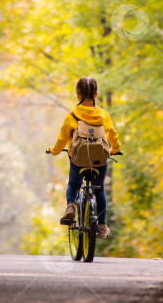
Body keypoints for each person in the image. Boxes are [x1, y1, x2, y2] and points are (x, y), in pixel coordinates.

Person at [47, 76, 121, 238]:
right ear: (96, 94)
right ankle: (101, 225)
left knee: (74, 184)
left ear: (78, 94)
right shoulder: (103, 115)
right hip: (99, 160)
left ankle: (71, 206)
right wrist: (115, 149)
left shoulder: (72, 116)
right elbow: (113, 135)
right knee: (99, 189)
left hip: (78, 159)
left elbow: (62, 140)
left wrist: (54, 150)